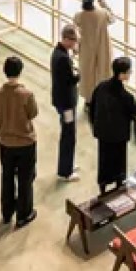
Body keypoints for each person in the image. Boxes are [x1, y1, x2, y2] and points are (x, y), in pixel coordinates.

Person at [0, 54, 39, 228]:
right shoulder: (26, 94)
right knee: (26, 179)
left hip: (5, 142)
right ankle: (23, 214)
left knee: (7, 177)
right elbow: (33, 113)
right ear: (20, 72)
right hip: (25, 142)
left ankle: (6, 212)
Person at [87, 56, 136, 191]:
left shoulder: (101, 86)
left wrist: (95, 125)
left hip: (103, 133)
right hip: (118, 136)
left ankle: (103, 186)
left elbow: (92, 106)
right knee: (118, 163)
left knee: (104, 160)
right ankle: (119, 184)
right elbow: (134, 112)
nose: (130, 74)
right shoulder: (126, 97)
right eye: (129, 72)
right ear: (122, 74)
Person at [51, 23, 81, 182]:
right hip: (66, 104)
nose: (75, 44)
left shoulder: (59, 53)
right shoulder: (63, 59)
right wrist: (80, 74)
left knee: (69, 132)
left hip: (62, 101)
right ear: (67, 39)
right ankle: (65, 171)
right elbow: (70, 79)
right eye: (74, 41)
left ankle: (68, 164)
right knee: (69, 134)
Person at [74, 0, 114, 105]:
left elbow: (75, 30)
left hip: (86, 48)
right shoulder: (102, 13)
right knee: (103, 72)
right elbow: (113, 19)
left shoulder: (79, 15)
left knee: (87, 74)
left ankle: (88, 100)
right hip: (103, 46)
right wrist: (104, 4)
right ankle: (102, 98)